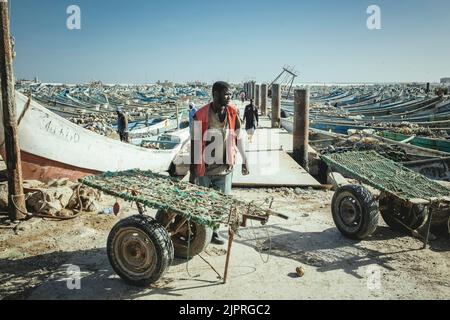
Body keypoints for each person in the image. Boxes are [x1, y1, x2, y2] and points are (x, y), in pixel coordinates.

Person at [190, 81, 250, 245]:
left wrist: (245, 159)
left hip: (224, 168)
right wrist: (193, 171)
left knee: (221, 204)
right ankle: (201, 233)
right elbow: (195, 142)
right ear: (215, 95)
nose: (229, 96)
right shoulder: (201, 114)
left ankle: (214, 231)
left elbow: (239, 137)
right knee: (201, 203)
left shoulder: (232, 112)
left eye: (230, 93)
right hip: (205, 168)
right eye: (226, 94)